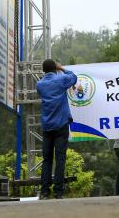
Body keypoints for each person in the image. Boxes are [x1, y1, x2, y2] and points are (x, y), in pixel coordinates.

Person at [36, 59, 78, 199]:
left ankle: (44, 192)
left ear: (43, 70)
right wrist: (62, 68)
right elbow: (73, 76)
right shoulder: (61, 80)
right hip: (61, 125)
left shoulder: (40, 85)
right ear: (55, 68)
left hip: (47, 126)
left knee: (46, 159)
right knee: (60, 159)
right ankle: (58, 192)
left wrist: (56, 68)